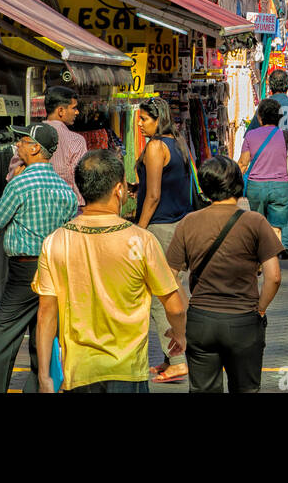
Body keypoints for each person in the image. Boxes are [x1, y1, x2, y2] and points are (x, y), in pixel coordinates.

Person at [34, 150, 186, 394]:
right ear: (119, 189)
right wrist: (179, 335)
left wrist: (44, 377)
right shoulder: (141, 241)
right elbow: (175, 306)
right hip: (128, 370)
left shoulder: (55, 242)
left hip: (80, 371)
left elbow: (46, 314)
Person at [167, 156, 283, 393]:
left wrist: (188, 309)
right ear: (239, 185)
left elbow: (169, 276)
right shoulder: (255, 222)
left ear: (206, 187)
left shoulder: (188, 223)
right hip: (244, 321)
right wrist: (259, 309)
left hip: (201, 321)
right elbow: (274, 277)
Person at [0, 123, 79, 393]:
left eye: (23, 141)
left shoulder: (20, 183)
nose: (18, 145)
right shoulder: (65, 188)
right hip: (56, 267)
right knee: (44, 332)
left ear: (36, 148)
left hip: (26, 269)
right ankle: (40, 386)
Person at [134, 97, 195, 384]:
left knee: (161, 297)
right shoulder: (179, 143)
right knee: (175, 292)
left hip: (161, 227)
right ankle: (175, 356)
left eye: (144, 119)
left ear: (158, 119)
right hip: (180, 225)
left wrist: (139, 229)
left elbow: (154, 195)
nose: (139, 124)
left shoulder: (156, 147)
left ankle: (180, 359)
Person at [240, 97, 288, 260]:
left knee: (258, 226)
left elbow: (243, 163)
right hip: (281, 188)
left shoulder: (251, 135)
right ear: (279, 117)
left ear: (259, 117)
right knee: (276, 228)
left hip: (256, 187)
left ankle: (259, 262)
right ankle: (273, 265)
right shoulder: (286, 135)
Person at [6, 85, 87, 204]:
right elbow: (80, 179)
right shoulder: (76, 141)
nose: (77, 112)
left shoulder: (29, 136)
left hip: (33, 206)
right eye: (74, 108)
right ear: (61, 111)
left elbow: (13, 174)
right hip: (68, 207)